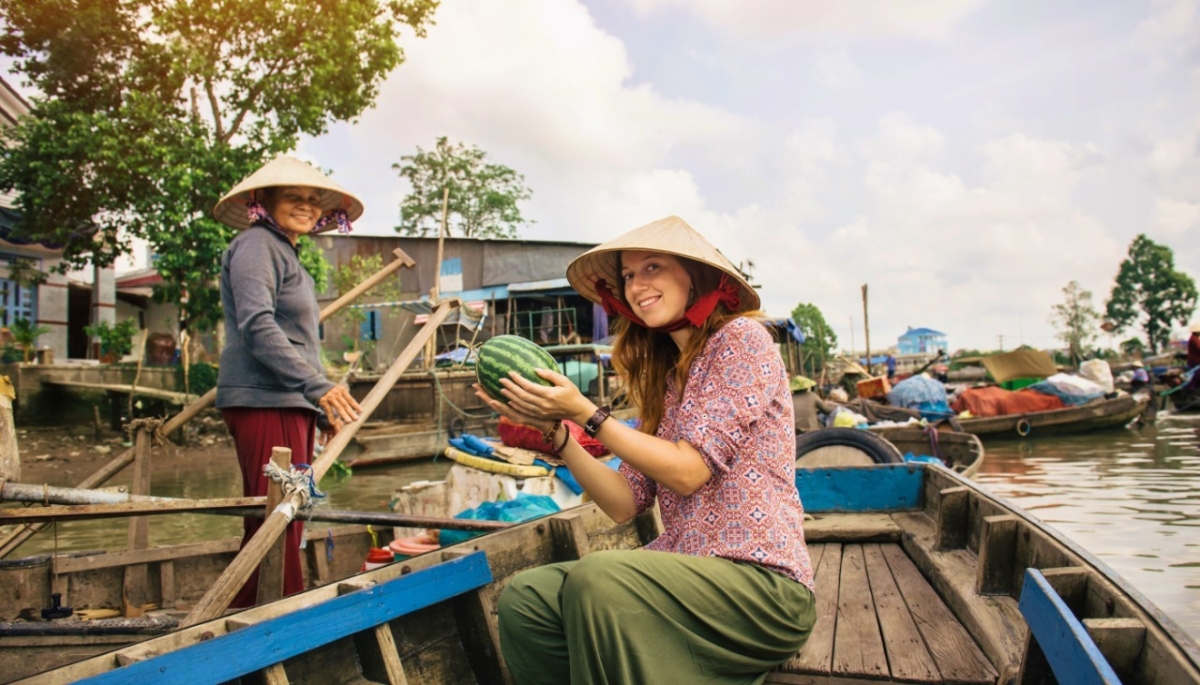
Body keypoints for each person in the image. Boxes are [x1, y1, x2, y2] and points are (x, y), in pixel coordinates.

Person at [474, 216, 816, 684]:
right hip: (686, 579)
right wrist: (557, 431)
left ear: (697, 276)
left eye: (652, 267)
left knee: (599, 579)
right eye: (629, 276)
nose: (637, 285)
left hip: (763, 588)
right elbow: (622, 503)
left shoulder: (741, 342)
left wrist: (586, 411)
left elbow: (688, 472)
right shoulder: (668, 381)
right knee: (526, 599)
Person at [212, 155, 364, 607]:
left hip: (286, 401)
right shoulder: (257, 245)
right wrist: (321, 388)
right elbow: (257, 325)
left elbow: (296, 342)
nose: (305, 206)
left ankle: (260, 611)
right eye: (293, 197)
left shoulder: (286, 252)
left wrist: (319, 411)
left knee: (285, 517)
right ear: (264, 202)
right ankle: (272, 617)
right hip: (264, 401)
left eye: (312, 200)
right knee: (276, 519)